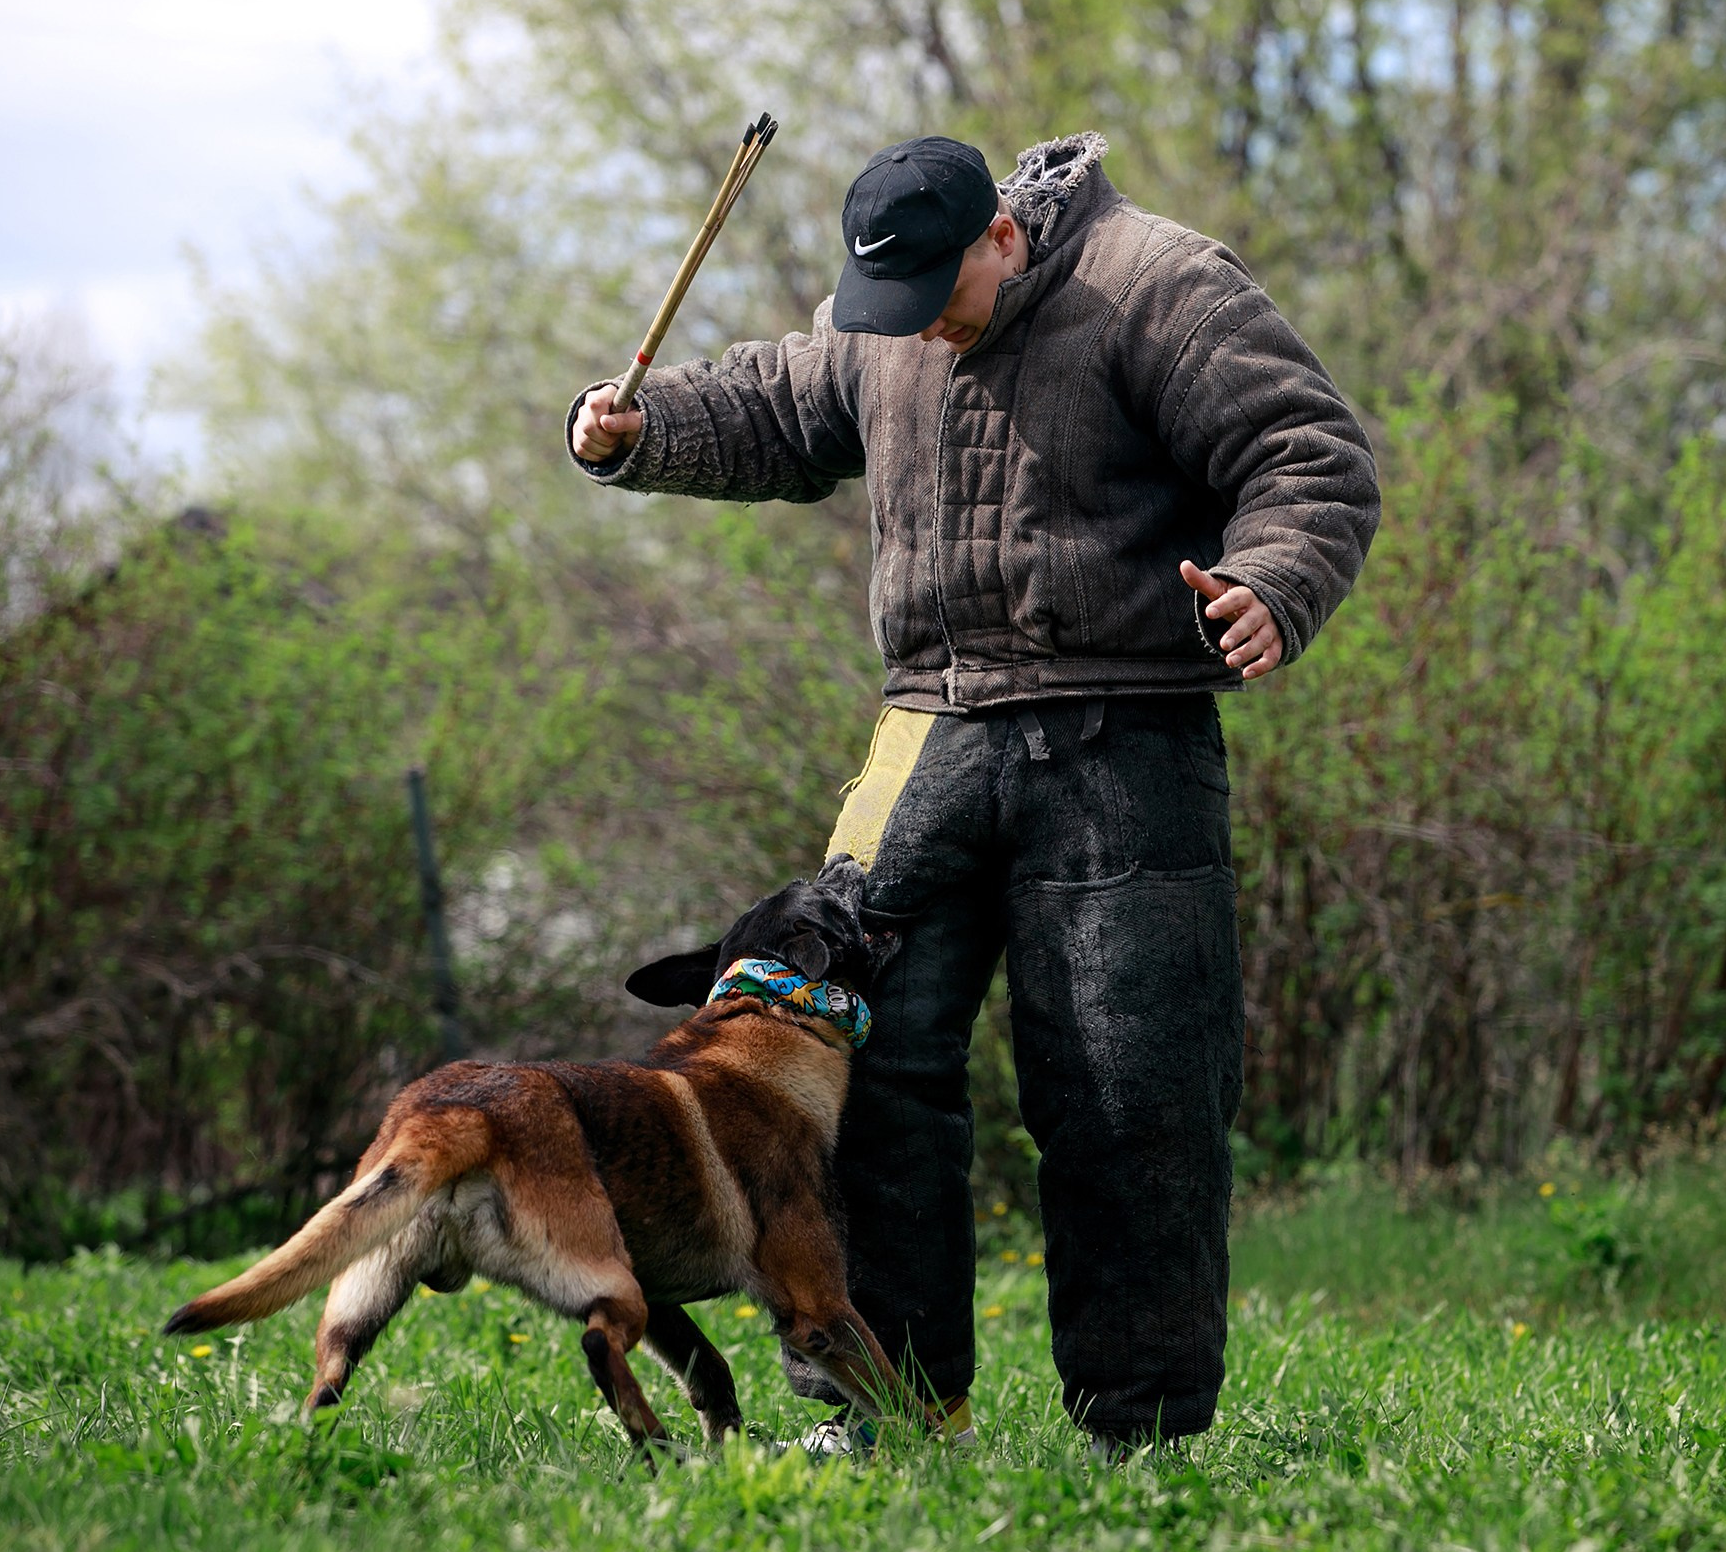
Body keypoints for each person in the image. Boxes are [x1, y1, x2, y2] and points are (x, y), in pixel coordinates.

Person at [568, 131, 1378, 1457]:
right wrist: (636, 430)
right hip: (924, 731)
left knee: (1133, 1090)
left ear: (1002, 234)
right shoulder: (893, 316)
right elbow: (777, 403)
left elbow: (1309, 457)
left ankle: (1142, 1432)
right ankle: (887, 1408)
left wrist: (1271, 582)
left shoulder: (1162, 285)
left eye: (938, 301)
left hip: (1128, 726)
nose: (921, 336)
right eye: (891, 314)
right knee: (837, 1048)